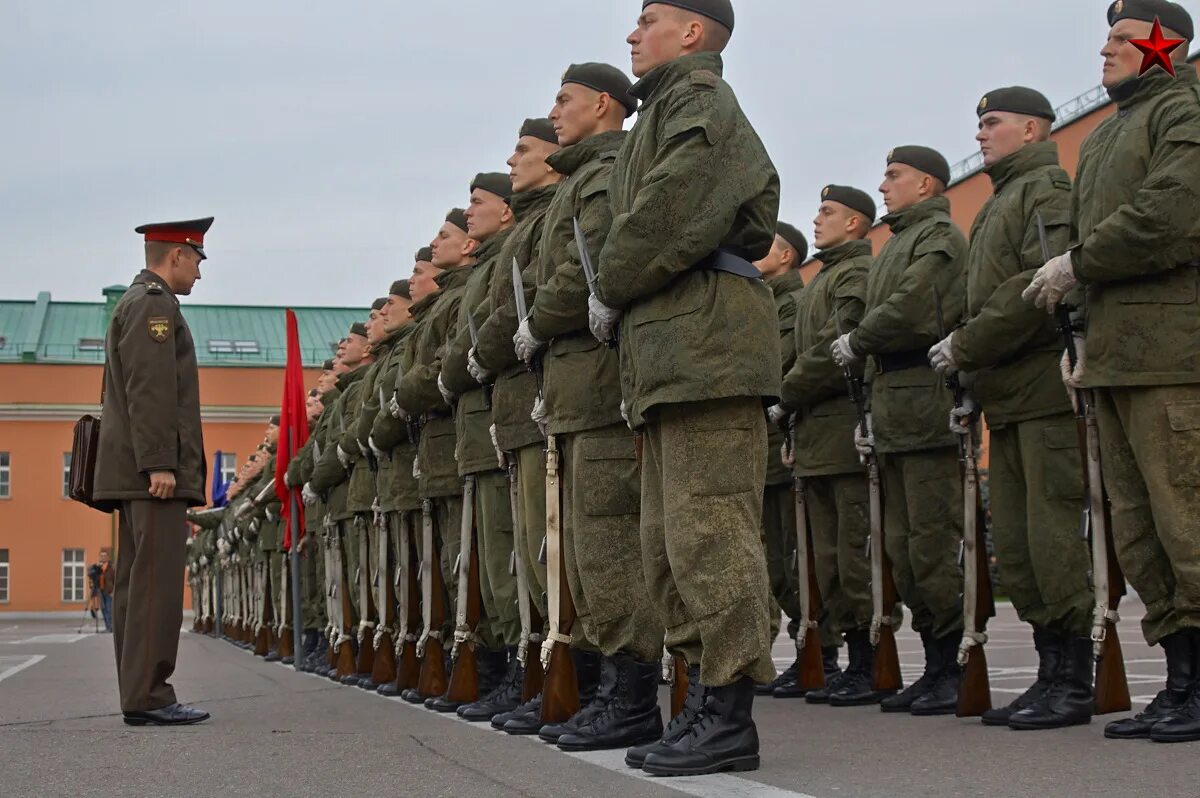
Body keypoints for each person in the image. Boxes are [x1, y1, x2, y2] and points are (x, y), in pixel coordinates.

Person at [589, 0, 781, 776]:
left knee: (710, 536)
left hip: (706, 346)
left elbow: (667, 212)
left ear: (692, 33)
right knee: (669, 546)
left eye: (647, 21)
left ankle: (728, 709)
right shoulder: (665, 110)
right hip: (674, 350)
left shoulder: (699, 103)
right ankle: (704, 700)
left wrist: (607, 280)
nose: (631, 35)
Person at [1024, 0, 1200, 743]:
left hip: (1173, 351)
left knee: (1186, 517)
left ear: (1170, 46)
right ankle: (1184, 677)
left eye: (1124, 39)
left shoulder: (1183, 112)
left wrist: (1080, 264)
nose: (1106, 49)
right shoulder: (1102, 139)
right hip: (1115, 355)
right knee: (1140, 532)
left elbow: (1174, 211)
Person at [929, 86, 1092, 730]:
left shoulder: (1045, 190)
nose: (980, 134)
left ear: (1032, 130)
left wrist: (965, 347)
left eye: (993, 123)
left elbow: (1033, 290)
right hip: (1007, 395)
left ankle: (1074, 677)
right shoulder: (999, 203)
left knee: (1052, 539)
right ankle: (1052, 672)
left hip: (1045, 393)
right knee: (1020, 547)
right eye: (979, 123)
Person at [831, 146, 967, 716]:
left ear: (928, 185)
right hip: (892, 410)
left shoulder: (937, 238)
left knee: (932, 546)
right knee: (905, 553)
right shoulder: (896, 244)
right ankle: (935, 665)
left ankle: (956, 665)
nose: (883, 186)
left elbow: (916, 307)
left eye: (895, 176)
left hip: (924, 407)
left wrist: (860, 340)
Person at [92, 216, 213, 727]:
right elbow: (152, 390)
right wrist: (161, 463)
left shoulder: (136, 302)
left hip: (137, 472)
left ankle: (141, 694)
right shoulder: (154, 305)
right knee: (156, 585)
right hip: (152, 475)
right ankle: (149, 694)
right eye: (198, 261)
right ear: (177, 255)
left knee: (141, 583)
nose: (200, 274)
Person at [779, 185, 890, 707]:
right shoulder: (823, 278)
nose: (817, 219)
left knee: (853, 553)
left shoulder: (854, 274)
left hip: (844, 431)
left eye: (828, 212)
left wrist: (784, 395)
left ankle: (870, 660)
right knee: (824, 558)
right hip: (816, 436)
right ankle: (846, 657)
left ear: (856, 223)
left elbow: (830, 351)